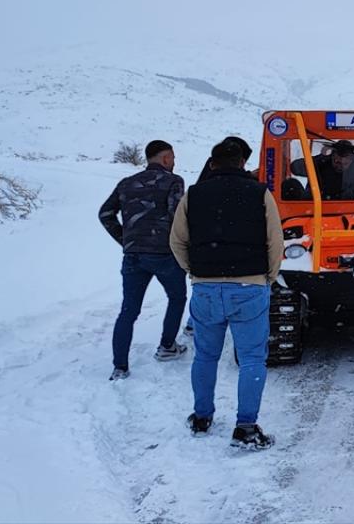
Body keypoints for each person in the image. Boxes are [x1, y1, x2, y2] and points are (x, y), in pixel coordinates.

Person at [170, 138, 282, 450]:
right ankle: (246, 426)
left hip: (205, 288)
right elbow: (275, 240)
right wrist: (267, 277)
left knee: (205, 355)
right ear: (243, 163)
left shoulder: (194, 195)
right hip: (249, 286)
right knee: (251, 359)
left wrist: (196, 271)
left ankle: (202, 417)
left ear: (213, 163)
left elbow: (177, 241)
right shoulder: (260, 193)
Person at [99, 139, 189, 381]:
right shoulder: (173, 181)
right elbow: (177, 216)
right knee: (177, 298)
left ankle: (120, 367)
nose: (174, 161)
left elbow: (105, 214)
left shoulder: (126, 183)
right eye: (172, 157)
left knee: (128, 310)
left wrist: (125, 239)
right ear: (166, 158)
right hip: (165, 255)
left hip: (133, 256)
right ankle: (167, 346)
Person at [290, 141, 354, 200]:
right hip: (314, 208)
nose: (341, 166)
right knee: (291, 184)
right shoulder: (320, 163)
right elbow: (294, 168)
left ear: (351, 160)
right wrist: (315, 161)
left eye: (345, 164)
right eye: (337, 162)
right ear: (332, 157)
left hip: (345, 211)